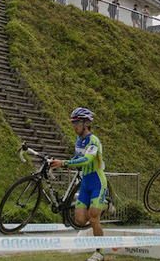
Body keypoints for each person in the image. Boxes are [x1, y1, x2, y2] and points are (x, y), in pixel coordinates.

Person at [51, 108, 107, 261]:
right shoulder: (79, 140)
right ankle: (99, 211)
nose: (74, 126)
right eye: (73, 122)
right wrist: (68, 162)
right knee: (80, 220)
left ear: (86, 123)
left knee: (94, 218)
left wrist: (64, 163)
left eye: (77, 122)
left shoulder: (93, 140)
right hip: (85, 184)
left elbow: (87, 159)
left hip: (97, 183)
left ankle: (99, 252)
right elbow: (78, 156)